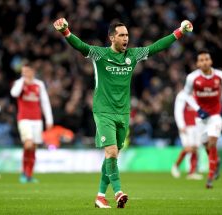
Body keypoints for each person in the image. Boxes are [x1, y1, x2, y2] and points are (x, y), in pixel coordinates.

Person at [53, 18, 193, 208]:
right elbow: (81, 46)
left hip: (123, 113)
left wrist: (180, 32)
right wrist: (65, 31)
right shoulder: (99, 54)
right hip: (103, 111)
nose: (126, 38)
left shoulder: (133, 55)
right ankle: (118, 192)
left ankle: (100, 196)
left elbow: (156, 47)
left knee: (112, 156)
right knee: (110, 152)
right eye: (122, 35)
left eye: (127, 35)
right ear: (112, 38)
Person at [184, 50, 222, 189]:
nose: (204, 62)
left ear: (211, 61)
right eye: (201, 60)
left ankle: (210, 177)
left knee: (212, 143)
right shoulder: (192, 78)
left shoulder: (221, 76)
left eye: (206, 59)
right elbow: (186, 95)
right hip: (201, 118)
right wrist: (198, 109)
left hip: (216, 115)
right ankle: (217, 161)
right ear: (198, 63)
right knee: (205, 145)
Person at [10, 61, 53, 183]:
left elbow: (45, 102)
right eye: (22, 72)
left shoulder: (39, 84)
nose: (24, 74)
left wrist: (49, 120)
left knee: (33, 147)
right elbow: (14, 93)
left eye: (26, 71)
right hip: (24, 119)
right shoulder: (19, 83)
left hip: (37, 120)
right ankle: (23, 172)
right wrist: (23, 81)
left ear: (32, 72)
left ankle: (29, 175)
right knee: (28, 144)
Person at [171, 90, 203, 180]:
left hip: (196, 125)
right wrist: (181, 125)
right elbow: (178, 111)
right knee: (188, 148)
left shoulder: (198, 94)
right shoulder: (182, 95)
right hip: (186, 126)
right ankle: (175, 166)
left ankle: (191, 173)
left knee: (195, 148)